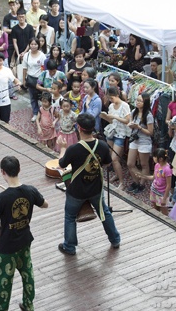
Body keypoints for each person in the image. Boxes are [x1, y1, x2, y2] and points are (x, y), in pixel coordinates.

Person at [0, 156, 48, 311]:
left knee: (3, 278)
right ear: (19, 169)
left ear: (3, 172)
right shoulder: (30, 190)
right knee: (27, 273)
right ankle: (28, 305)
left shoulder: (3, 197)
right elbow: (45, 204)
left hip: (8, 245)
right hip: (24, 240)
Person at [57, 113, 121, 255]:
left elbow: (61, 164)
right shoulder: (103, 146)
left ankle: (70, 246)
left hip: (77, 191)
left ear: (79, 128)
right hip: (96, 188)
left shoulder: (73, 149)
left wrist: (62, 148)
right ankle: (115, 239)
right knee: (104, 213)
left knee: (70, 216)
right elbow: (106, 163)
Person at [99, 87, 131, 190]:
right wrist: (106, 117)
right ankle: (117, 174)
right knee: (113, 158)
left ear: (117, 95)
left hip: (120, 134)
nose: (111, 100)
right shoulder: (111, 106)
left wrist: (114, 117)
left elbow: (127, 121)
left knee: (114, 158)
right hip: (112, 132)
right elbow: (111, 121)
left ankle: (122, 182)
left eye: (112, 98)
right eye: (109, 98)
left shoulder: (125, 105)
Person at [126, 92, 154, 194]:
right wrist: (131, 125)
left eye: (140, 101)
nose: (137, 102)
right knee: (130, 163)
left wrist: (139, 127)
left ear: (145, 102)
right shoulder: (134, 112)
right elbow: (130, 123)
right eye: (137, 100)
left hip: (144, 141)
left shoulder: (148, 115)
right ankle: (136, 181)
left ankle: (142, 184)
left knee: (144, 164)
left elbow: (150, 132)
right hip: (135, 139)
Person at [22, 37, 45, 121]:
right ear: (29, 45)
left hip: (40, 79)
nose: (33, 46)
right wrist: (24, 79)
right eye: (32, 44)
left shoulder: (42, 55)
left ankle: (43, 113)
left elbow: (43, 69)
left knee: (42, 97)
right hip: (30, 79)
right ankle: (35, 113)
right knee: (32, 98)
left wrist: (42, 80)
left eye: (35, 44)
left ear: (38, 45)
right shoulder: (26, 55)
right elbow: (24, 68)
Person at [144, 148, 172, 215]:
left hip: (162, 193)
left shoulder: (167, 169)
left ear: (161, 159)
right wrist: (143, 176)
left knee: (164, 212)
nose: (153, 158)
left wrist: (164, 198)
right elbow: (153, 177)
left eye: (155, 156)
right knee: (155, 209)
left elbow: (168, 185)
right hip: (154, 189)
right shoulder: (157, 165)